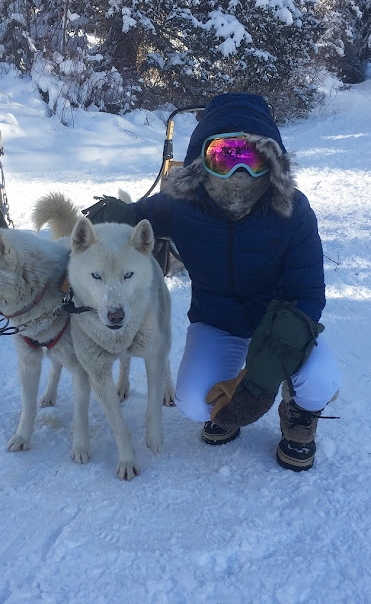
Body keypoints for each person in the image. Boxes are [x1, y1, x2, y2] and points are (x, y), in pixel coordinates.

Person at [86, 93, 341, 471]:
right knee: (193, 402)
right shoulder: (182, 204)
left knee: (320, 379)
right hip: (219, 320)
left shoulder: (292, 209)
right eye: (223, 156)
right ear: (201, 161)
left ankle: (299, 416)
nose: (238, 170)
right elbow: (132, 221)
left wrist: (259, 378)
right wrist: (102, 225)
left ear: (272, 160)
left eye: (251, 157)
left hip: (280, 323)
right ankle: (226, 407)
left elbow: (308, 295)